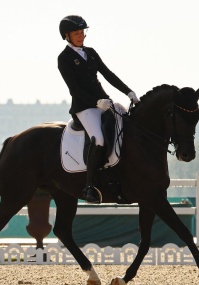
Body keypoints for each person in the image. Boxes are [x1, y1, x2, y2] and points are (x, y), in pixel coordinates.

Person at [58, 15, 139, 204]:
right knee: (99, 139)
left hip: (104, 102)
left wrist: (129, 91)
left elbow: (108, 74)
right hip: (85, 107)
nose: (81, 36)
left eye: (82, 32)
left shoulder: (91, 52)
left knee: (124, 128)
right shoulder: (64, 58)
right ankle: (89, 187)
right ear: (67, 36)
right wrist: (96, 102)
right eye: (76, 33)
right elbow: (74, 88)